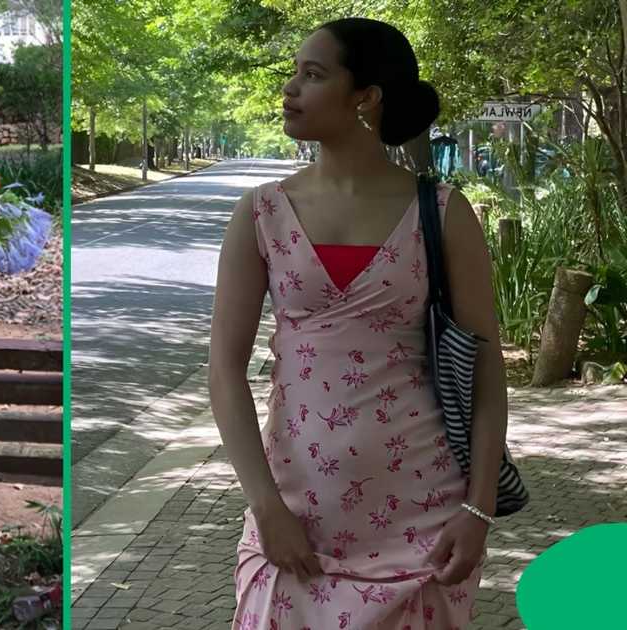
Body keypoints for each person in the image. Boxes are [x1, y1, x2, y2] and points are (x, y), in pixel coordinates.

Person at [208, 17, 508, 629]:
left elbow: (485, 370)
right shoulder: (261, 212)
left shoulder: (442, 213)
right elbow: (224, 371)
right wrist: (265, 507)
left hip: (424, 527)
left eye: (313, 74)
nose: (290, 88)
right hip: (295, 521)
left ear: (365, 96)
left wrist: (478, 510)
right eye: (294, 73)